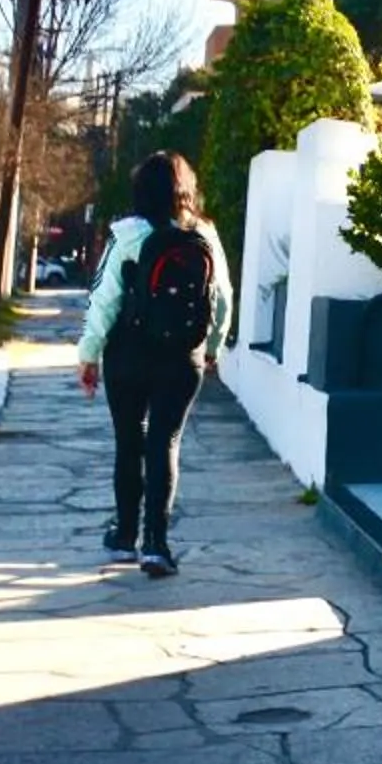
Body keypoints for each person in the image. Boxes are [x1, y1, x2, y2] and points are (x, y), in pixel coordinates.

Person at [78, 152, 233, 577]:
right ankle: (156, 545)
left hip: (128, 354)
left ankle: (125, 536)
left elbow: (104, 300)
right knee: (164, 442)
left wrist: (88, 355)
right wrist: (213, 347)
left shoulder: (125, 235)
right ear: (187, 189)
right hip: (183, 357)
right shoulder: (204, 234)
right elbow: (222, 299)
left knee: (129, 441)